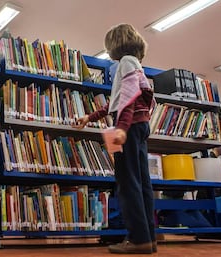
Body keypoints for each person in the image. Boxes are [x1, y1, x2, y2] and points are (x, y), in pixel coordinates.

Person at [73, 23, 156, 254]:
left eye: (108, 46)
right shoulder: (135, 64)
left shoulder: (126, 62)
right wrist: (90, 116)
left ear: (115, 43)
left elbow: (129, 96)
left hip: (129, 128)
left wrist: (121, 127)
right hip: (140, 126)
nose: (107, 51)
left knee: (128, 184)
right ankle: (148, 238)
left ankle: (138, 240)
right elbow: (118, 100)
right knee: (142, 184)